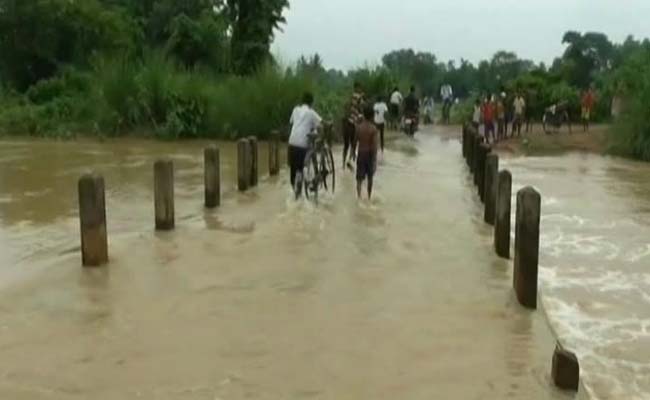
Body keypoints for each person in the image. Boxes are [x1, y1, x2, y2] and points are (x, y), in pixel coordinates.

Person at [288, 92, 322, 191]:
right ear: (311, 102)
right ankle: (309, 181)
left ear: (302, 101)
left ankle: (295, 195)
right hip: (302, 145)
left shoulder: (295, 110)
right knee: (302, 168)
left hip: (291, 143)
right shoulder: (311, 113)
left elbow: (292, 123)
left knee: (293, 171)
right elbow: (321, 124)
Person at [356, 106, 379, 199]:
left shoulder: (359, 127)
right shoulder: (373, 129)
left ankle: (359, 197)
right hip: (369, 154)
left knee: (359, 178)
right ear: (372, 116)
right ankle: (369, 197)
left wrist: (353, 152)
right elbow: (374, 145)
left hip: (361, 153)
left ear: (364, 115)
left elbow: (354, 141)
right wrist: (374, 159)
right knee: (370, 177)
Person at [343, 82, 364, 169]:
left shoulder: (349, 97)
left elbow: (346, 107)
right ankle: (349, 160)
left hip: (346, 121)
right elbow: (361, 109)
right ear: (357, 88)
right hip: (354, 122)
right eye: (359, 88)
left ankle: (343, 164)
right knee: (354, 143)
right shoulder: (359, 97)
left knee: (346, 145)